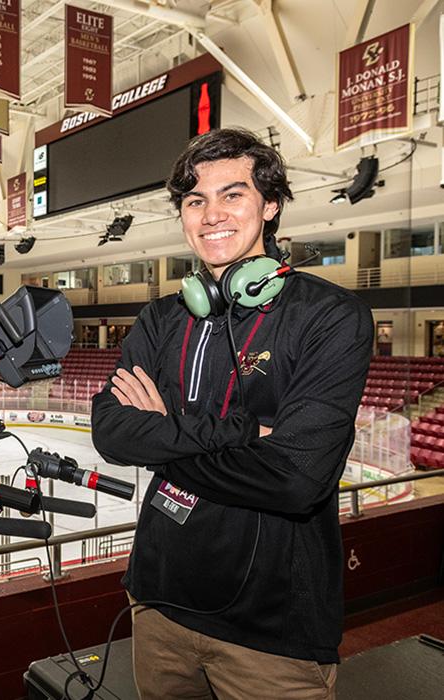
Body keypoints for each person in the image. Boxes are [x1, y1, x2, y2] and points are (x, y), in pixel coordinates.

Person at [90, 128, 374, 699]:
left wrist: (164, 443)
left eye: (232, 194)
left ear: (270, 205)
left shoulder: (332, 316)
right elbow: (112, 431)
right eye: (195, 200)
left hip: (271, 630)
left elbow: (296, 479)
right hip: (159, 602)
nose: (210, 214)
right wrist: (249, 433)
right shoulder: (161, 319)